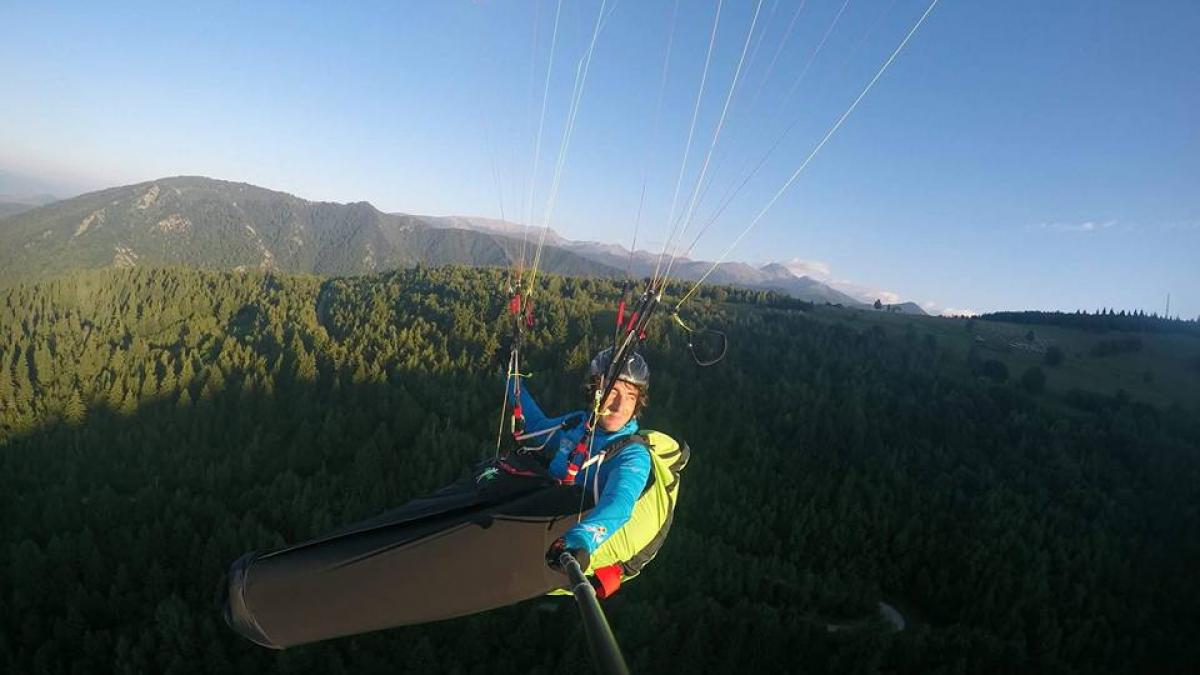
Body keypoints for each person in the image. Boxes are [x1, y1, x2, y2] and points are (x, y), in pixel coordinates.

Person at [511, 347, 653, 573]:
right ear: (594, 390)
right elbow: (537, 428)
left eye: (631, 397)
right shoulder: (578, 424)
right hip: (538, 519)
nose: (619, 406)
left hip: (568, 547)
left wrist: (579, 540)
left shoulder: (631, 454)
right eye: (613, 391)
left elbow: (619, 503)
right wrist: (510, 379)